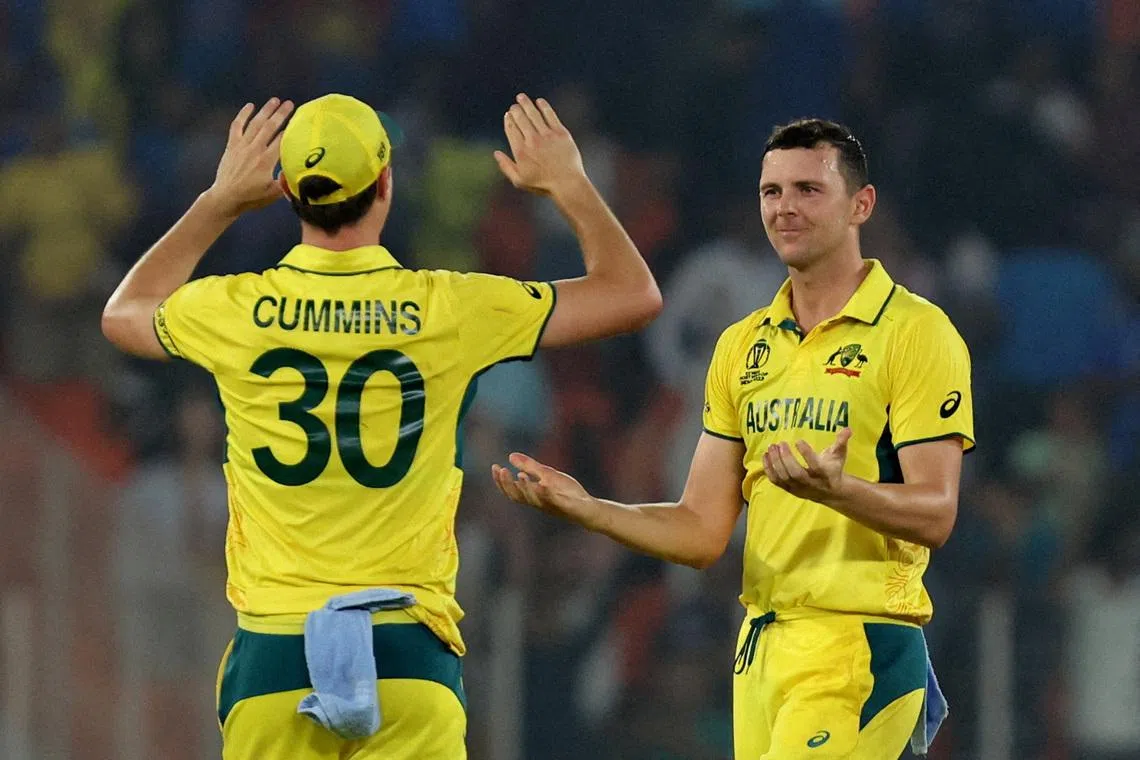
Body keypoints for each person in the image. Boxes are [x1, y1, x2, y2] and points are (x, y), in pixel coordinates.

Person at [101, 92, 661, 759]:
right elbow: (632, 294)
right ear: (387, 183)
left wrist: (219, 199)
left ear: (285, 191)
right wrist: (568, 184)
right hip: (404, 650)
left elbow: (124, 311)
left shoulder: (235, 309)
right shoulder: (450, 307)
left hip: (276, 654)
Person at [492, 118, 975, 759]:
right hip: (760, 648)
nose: (784, 208)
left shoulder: (916, 332)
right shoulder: (743, 343)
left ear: (862, 205)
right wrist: (590, 509)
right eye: (771, 191)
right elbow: (700, 530)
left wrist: (840, 491)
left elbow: (937, 515)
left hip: (857, 641)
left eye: (808, 189)